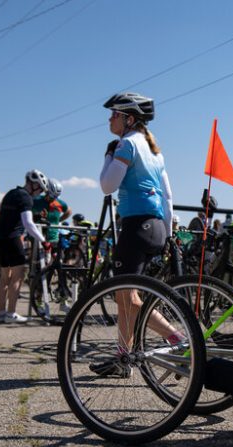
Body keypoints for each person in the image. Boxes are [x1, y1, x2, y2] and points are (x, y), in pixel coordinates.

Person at [93, 91, 180, 376]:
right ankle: (124, 357)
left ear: (129, 119)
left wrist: (109, 155)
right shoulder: (155, 151)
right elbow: (167, 196)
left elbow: (107, 185)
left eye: (114, 114)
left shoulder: (127, 144)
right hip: (155, 227)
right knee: (125, 298)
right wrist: (167, 233)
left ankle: (177, 339)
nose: (110, 118)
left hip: (135, 226)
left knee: (127, 297)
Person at [0, 169, 50, 324]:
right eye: (40, 189)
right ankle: (11, 313)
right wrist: (44, 240)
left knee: (5, 276)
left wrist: (36, 215)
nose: (39, 193)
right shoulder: (26, 198)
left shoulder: (12, 193)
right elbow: (28, 224)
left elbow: (14, 214)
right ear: (33, 184)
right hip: (12, 238)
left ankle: (1, 313)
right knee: (18, 275)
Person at [33, 179, 71, 252]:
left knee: (53, 258)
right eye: (51, 196)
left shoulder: (60, 203)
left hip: (53, 236)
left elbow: (69, 211)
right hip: (37, 235)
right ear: (46, 191)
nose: (52, 199)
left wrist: (59, 220)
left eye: (54, 197)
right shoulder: (36, 199)